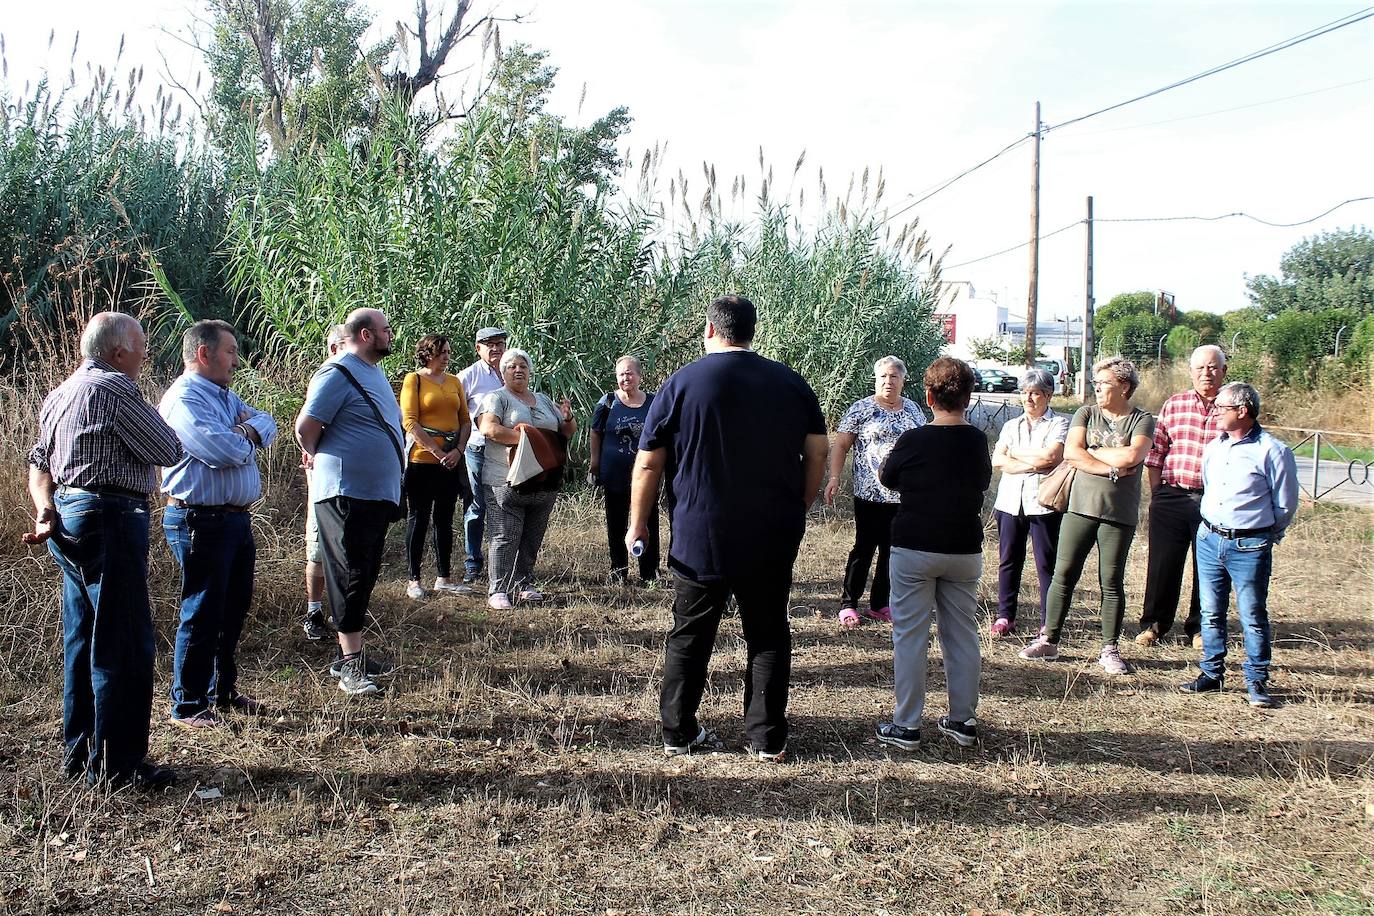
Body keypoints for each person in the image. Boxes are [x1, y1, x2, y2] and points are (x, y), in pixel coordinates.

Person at [627, 295, 828, 761]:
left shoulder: (680, 383)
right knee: (768, 633)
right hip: (771, 532)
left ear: (710, 329)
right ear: (752, 331)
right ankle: (766, 737)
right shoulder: (789, 383)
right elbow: (817, 451)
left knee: (690, 636)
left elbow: (649, 462)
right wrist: (799, 501)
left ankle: (678, 732)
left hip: (701, 534)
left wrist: (638, 524)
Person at [24, 311, 184, 790]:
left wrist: (44, 508)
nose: (145, 354)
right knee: (124, 640)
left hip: (69, 518)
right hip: (112, 517)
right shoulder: (114, 389)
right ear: (118, 353)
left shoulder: (60, 393)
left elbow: (38, 464)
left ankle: (80, 755)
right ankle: (119, 766)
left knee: (83, 637)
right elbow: (167, 447)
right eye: (142, 346)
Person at [159, 320, 278, 728]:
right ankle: (188, 705)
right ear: (204, 353)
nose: (236, 359)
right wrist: (246, 434)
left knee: (232, 608)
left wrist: (245, 429)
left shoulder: (223, 396)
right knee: (203, 610)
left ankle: (220, 691)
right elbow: (221, 450)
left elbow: (268, 422)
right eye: (229, 351)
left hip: (233, 519)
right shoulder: (185, 398)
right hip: (199, 519)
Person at [874, 357, 992, 751]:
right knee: (961, 634)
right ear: (968, 398)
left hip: (914, 547)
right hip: (962, 548)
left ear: (928, 396)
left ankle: (906, 725)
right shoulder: (976, 440)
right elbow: (982, 480)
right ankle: (962, 720)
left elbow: (889, 478)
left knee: (910, 636)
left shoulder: (914, 439)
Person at [1019, 356, 1155, 675]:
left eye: (1103, 383)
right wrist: (1110, 466)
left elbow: (1134, 455)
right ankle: (1048, 639)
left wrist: (1090, 455)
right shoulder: (1086, 413)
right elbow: (1071, 453)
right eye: (1095, 383)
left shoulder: (1142, 419)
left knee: (1111, 581)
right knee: (1063, 574)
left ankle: (1110, 649)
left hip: (1118, 514)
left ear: (1123, 386)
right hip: (1079, 507)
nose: (1097, 389)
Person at [296, 308, 404, 696]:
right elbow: (306, 427)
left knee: (364, 572)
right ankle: (349, 665)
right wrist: (318, 459)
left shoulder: (371, 371)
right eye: (385, 330)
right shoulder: (338, 370)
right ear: (365, 334)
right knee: (349, 574)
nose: (391, 335)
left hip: (374, 493)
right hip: (346, 493)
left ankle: (351, 655)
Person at [1179, 382, 1298, 708]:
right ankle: (1212, 674)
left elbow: (1285, 506)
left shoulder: (1273, 452)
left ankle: (1256, 681)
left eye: (1221, 408)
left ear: (1242, 411)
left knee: (1252, 615)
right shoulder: (1215, 447)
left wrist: (1262, 536)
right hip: (1209, 539)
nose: (1214, 413)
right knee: (1210, 612)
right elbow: (1208, 485)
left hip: (1249, 545)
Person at [823, 355, 926, 628]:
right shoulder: (861, 409)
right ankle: (849, 603)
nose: (888, 381)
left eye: (894, 376)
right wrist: (834, 477)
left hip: (904, 496)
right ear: (876, 379)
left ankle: (881, 603)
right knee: (864, 547)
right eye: (883, 376)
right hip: (869, 495)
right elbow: (841, 446)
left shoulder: (914, 411)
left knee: (892, 550)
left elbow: (923, 449)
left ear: (903, 380)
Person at [1137, 345, 1228, 648]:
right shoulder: (1174, 405)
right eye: (1200, 368)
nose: (1207, 373)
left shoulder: (1233, 408)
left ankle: (1201, 628)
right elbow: (1157, 452)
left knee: (1210, 567)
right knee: (1163, 564)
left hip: (1215, 500)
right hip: (1172, 495)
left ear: (1224, 372)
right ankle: (1154, 624)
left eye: (1213, 367)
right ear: (1190, 372)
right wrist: (1157, 494)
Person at [476, 347, 576, 609]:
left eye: (523, 366)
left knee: (533, 536)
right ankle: (498, 589)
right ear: (503, 372)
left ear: (530, 372)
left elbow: (565, 432)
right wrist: (531, 440)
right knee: (504, 536)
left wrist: (568, 418)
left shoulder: (542, 399)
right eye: (511, 366)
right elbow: (489, 429)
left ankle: (524, 583)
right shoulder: (496, 398)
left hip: (544, 480)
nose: (518, 370)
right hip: (505, 480)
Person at [989, 367, 1071, 637]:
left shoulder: (1059, 424)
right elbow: (997, 460)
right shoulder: (1011, 425)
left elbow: (1051, 459)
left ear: (1048, 395)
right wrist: (1031, 460)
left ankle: (1049, 621)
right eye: (1024, 393)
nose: (1028, 399)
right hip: (1010, 502)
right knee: (1008, 560)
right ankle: (1005, 616)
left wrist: (1015, 455)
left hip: (1042, 503)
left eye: (1035, 393)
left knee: (1046, 563)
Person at [400, 334, 473, 599]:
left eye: (448, 352)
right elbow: (410, 421)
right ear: (427, 353)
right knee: (418, 518)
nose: (446, 356)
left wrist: (457, 451)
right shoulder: (414, 380)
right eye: (441, 352)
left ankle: (444, 577)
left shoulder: (454, 381)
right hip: (422, 461)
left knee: (444, 518)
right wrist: (436, 450)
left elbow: (465, 419)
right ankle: (414, 579)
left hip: (451, 461)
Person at [589, 355, 659, 583]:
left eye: (630, 373)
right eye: (621, 374)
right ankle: (618, 571)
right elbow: (596, 433)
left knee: (648, 522)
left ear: (639, 376)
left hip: (646, 476)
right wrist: (595, 464)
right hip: (614, 475)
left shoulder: (654, 402)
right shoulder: (608, 402)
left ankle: (650, 573)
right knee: (616, 523)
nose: (625, 378)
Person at [302, 324, 347, 640]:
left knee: (347, 547)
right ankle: (314, 612)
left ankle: (344, 612)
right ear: (334, 349)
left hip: (353, 481)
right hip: (326, 480)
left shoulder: (359, 376)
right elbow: (308, 430)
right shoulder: (327, 378)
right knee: (319, 547)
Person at [457, 326, 509, 585]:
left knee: (506, 505)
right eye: (490, 344)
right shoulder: (468, 377)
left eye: (500, 343)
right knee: (477, 506)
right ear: (478, 348)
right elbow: (456, 413)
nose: (496, 348)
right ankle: (473, 564)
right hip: (477, 449)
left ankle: (503, 564)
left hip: (507, 450)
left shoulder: (511, 371)